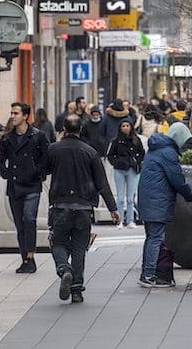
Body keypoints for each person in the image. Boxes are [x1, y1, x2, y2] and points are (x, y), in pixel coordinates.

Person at [44, 114, 120, 303]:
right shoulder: (90, 152)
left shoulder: (54, 150)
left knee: (58, 242)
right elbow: (101, 183)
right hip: (84, 207)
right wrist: (113, 208)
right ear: (81, 130)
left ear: (63, 129)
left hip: (60, 205)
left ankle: (64, 269)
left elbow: (42, 170)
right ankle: (77, 289)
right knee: (79, 248)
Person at [0, 102, 50, 274]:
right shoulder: (7, 138)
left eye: (16, 113)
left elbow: (46, 158)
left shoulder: (38, 136)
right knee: (20, 224)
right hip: (15, 185)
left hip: (32, 185)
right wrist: (8, 174)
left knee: (29, 218)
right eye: (11, 112)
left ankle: (31, 257)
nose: (12, 116)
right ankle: (24, 258)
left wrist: (38, 173)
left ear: (25, 116)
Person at [136, 123, 192, 287]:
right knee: (156, 238)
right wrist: (191, 195)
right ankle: (149, 276)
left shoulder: (155, 149)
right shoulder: (168, 153)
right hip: (157, 201)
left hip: (148, 200)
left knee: (151, 237)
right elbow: (177, 179)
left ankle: (146, 273)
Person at [106, 118, 145, 229]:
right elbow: (110, 155)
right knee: (120, 197)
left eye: (127, 125)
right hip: (119, 170)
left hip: (132, 170)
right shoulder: (116, 140)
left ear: (131, 127)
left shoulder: (136, 139)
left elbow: (142, 153)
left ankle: (130, 220)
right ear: (120, 128)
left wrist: (136, 161)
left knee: (130, 197)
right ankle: (120, 220)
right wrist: (116, 163)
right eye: (123, 126)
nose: (125, 128)